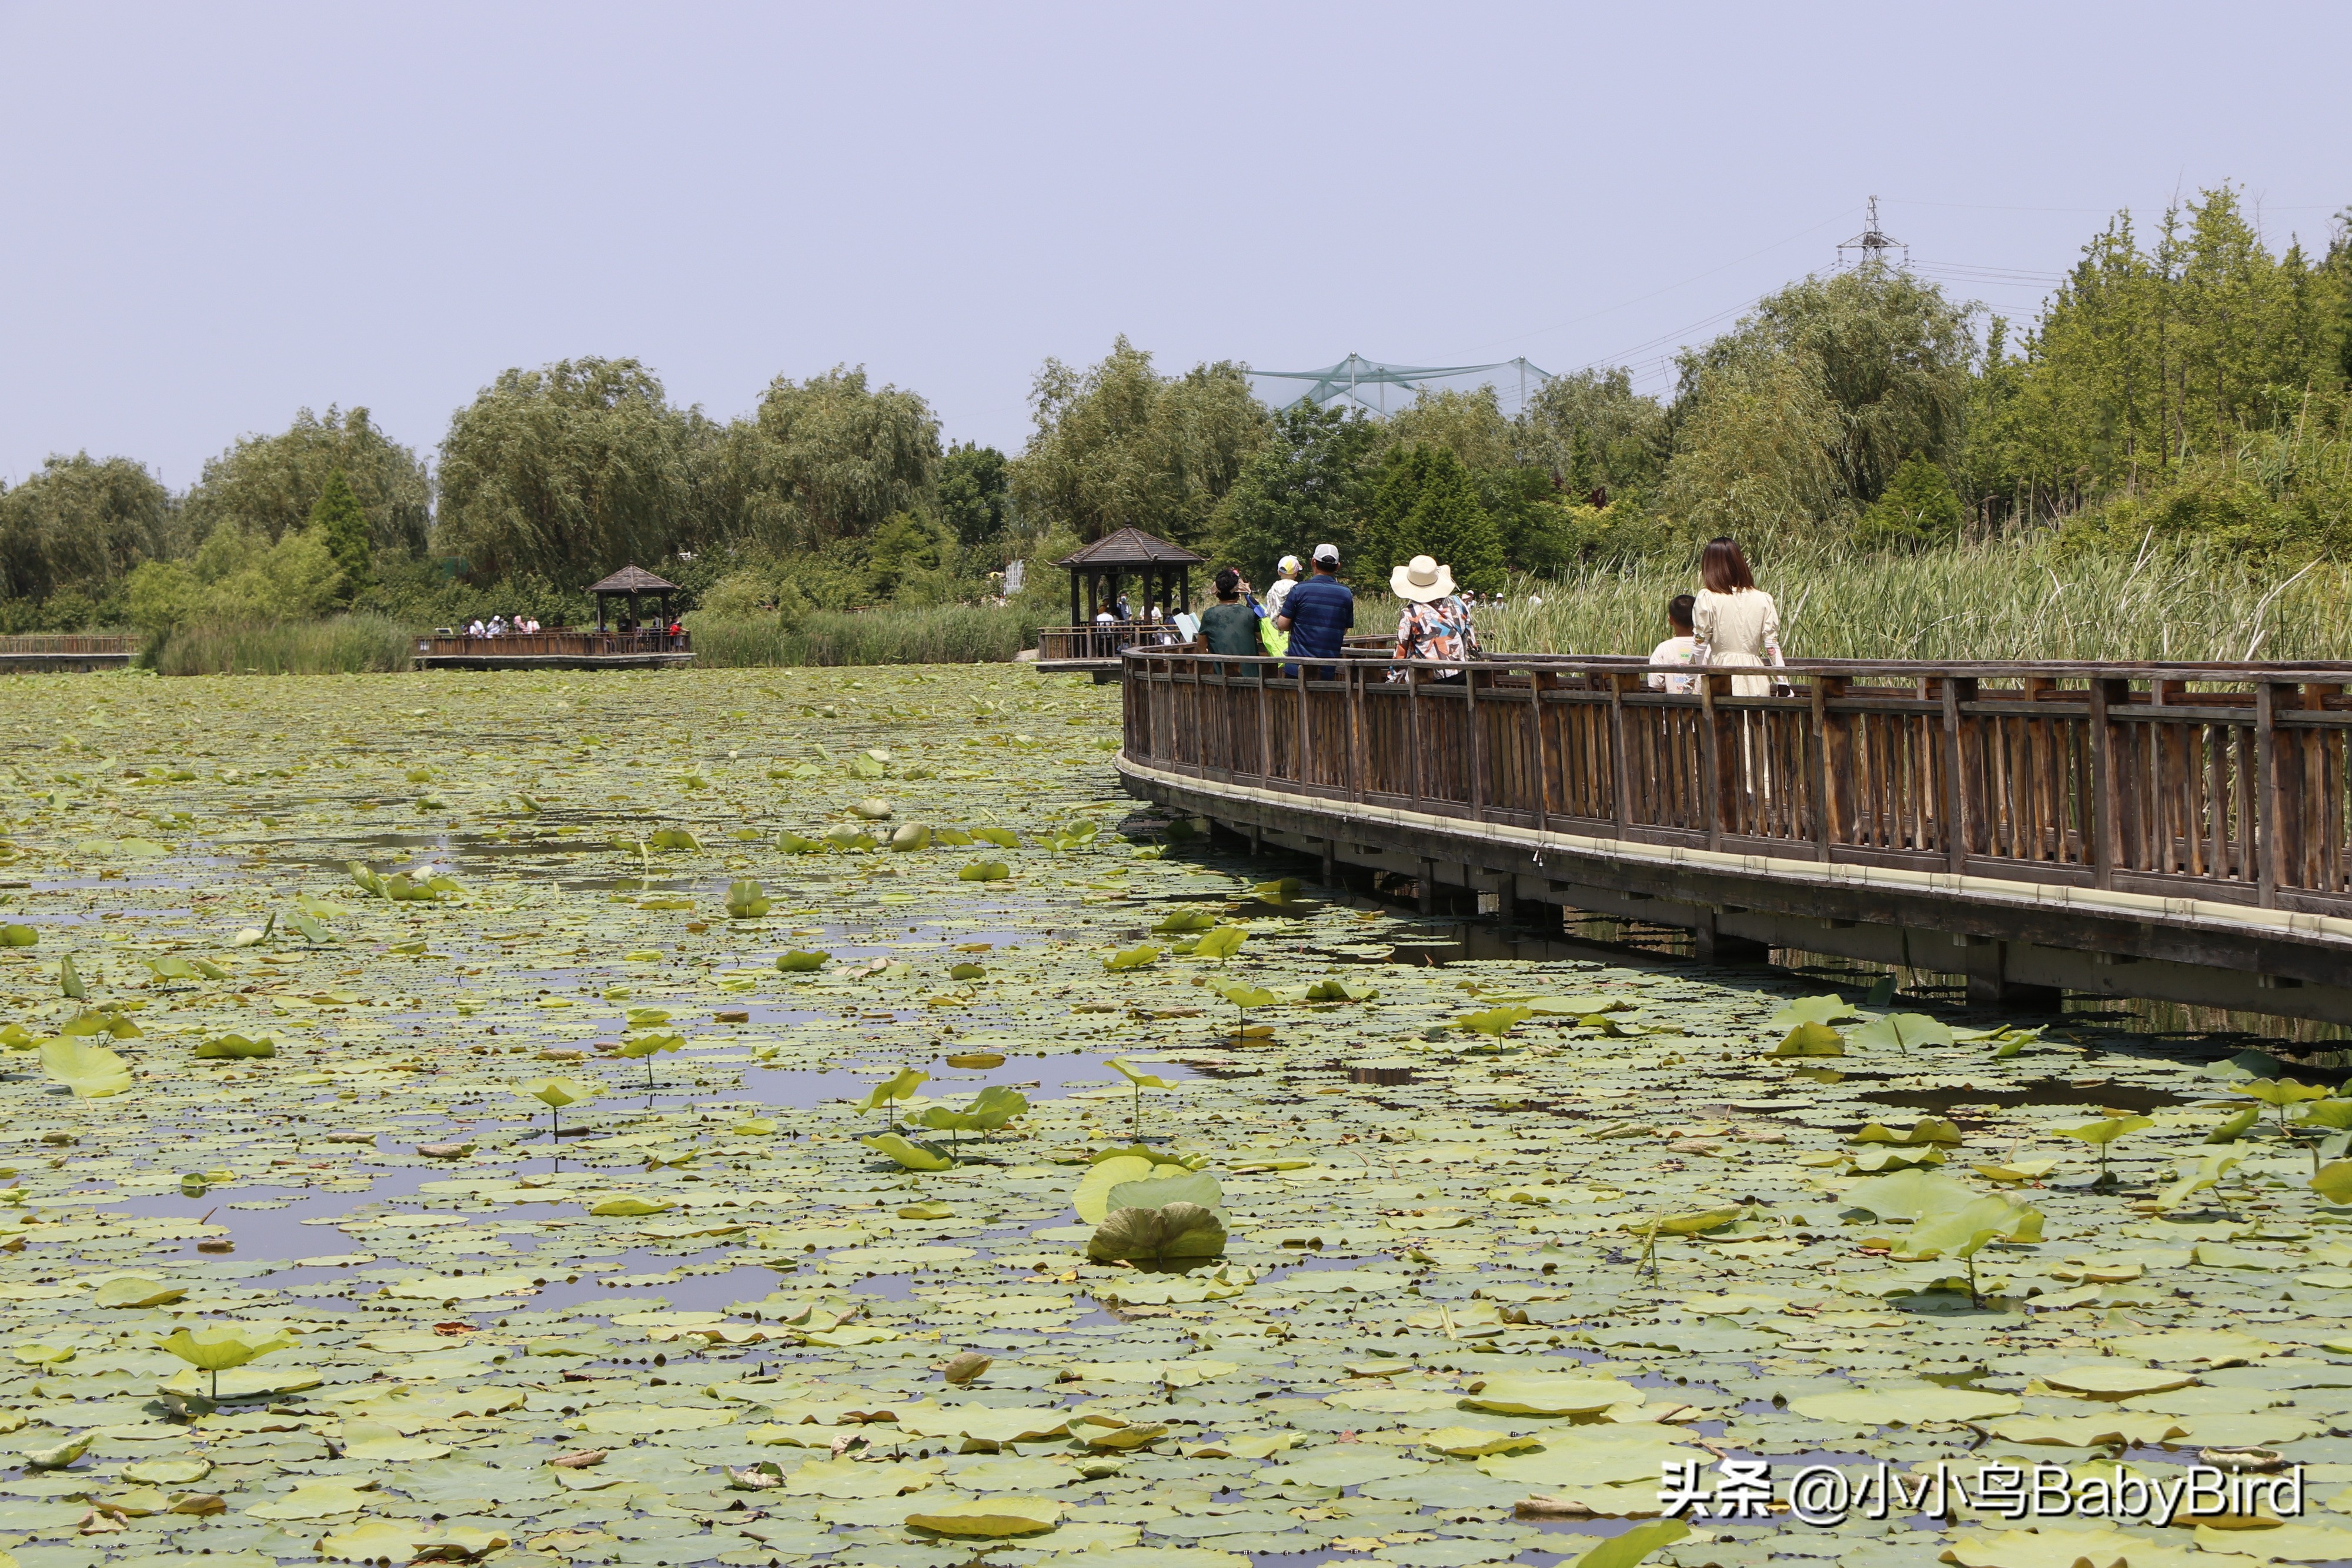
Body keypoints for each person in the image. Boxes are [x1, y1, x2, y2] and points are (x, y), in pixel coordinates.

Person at [1691, 537, 1786, 697]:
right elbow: (1771, 646)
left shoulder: (1707, 597)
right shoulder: (1763, 599)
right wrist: (1783, 682)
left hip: (1720, 674)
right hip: (1755, 673)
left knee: (1723, 720)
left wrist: (1688, 683)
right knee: (1755, 719)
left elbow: (1699, 645)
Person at [1388, 555, 1478, 683]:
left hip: (1429, 680)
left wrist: (1392, 680)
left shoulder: (1410, 613)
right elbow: (1471, 641)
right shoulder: (1459, 603)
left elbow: (1401, 653)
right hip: (1462, 675)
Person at [1274, 543, 1353, 678]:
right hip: (1327, 668)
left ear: (1313, 562)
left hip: (1297, 668)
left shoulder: (1299, 590)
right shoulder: (1346, 594)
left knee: (1295, 700)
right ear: (1338, 566)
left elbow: (1282, 624)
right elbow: (1344, 629)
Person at [1199, 567, 1263, 668]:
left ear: (1217, 594)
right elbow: (1262, 638)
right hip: (1251, 677)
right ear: (1238, 593)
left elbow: (1201, 646)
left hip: (1221, 677)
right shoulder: (1250, 614)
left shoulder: (1209, 614)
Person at [1648, 594, 1700, 693]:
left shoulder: (1663, 648)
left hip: (1672, 707)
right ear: (1698, 619)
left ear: (1671, 620)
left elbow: (1656, 685)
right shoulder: (1707, 647)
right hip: (1703, 707)